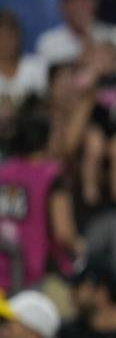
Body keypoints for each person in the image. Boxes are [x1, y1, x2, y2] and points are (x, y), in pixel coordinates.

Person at [0, 95, 80, 293]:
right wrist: (80, 247)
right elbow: (63, 232)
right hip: (34, 275)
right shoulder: (52, 175)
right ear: (45, 138)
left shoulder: (4, 170)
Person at [36, 0, 116, 67]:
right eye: (75, 1)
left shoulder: (115, 35)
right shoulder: (49, 43)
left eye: (86, 0)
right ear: (63, 6)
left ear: (95, 3)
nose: (81, 6)